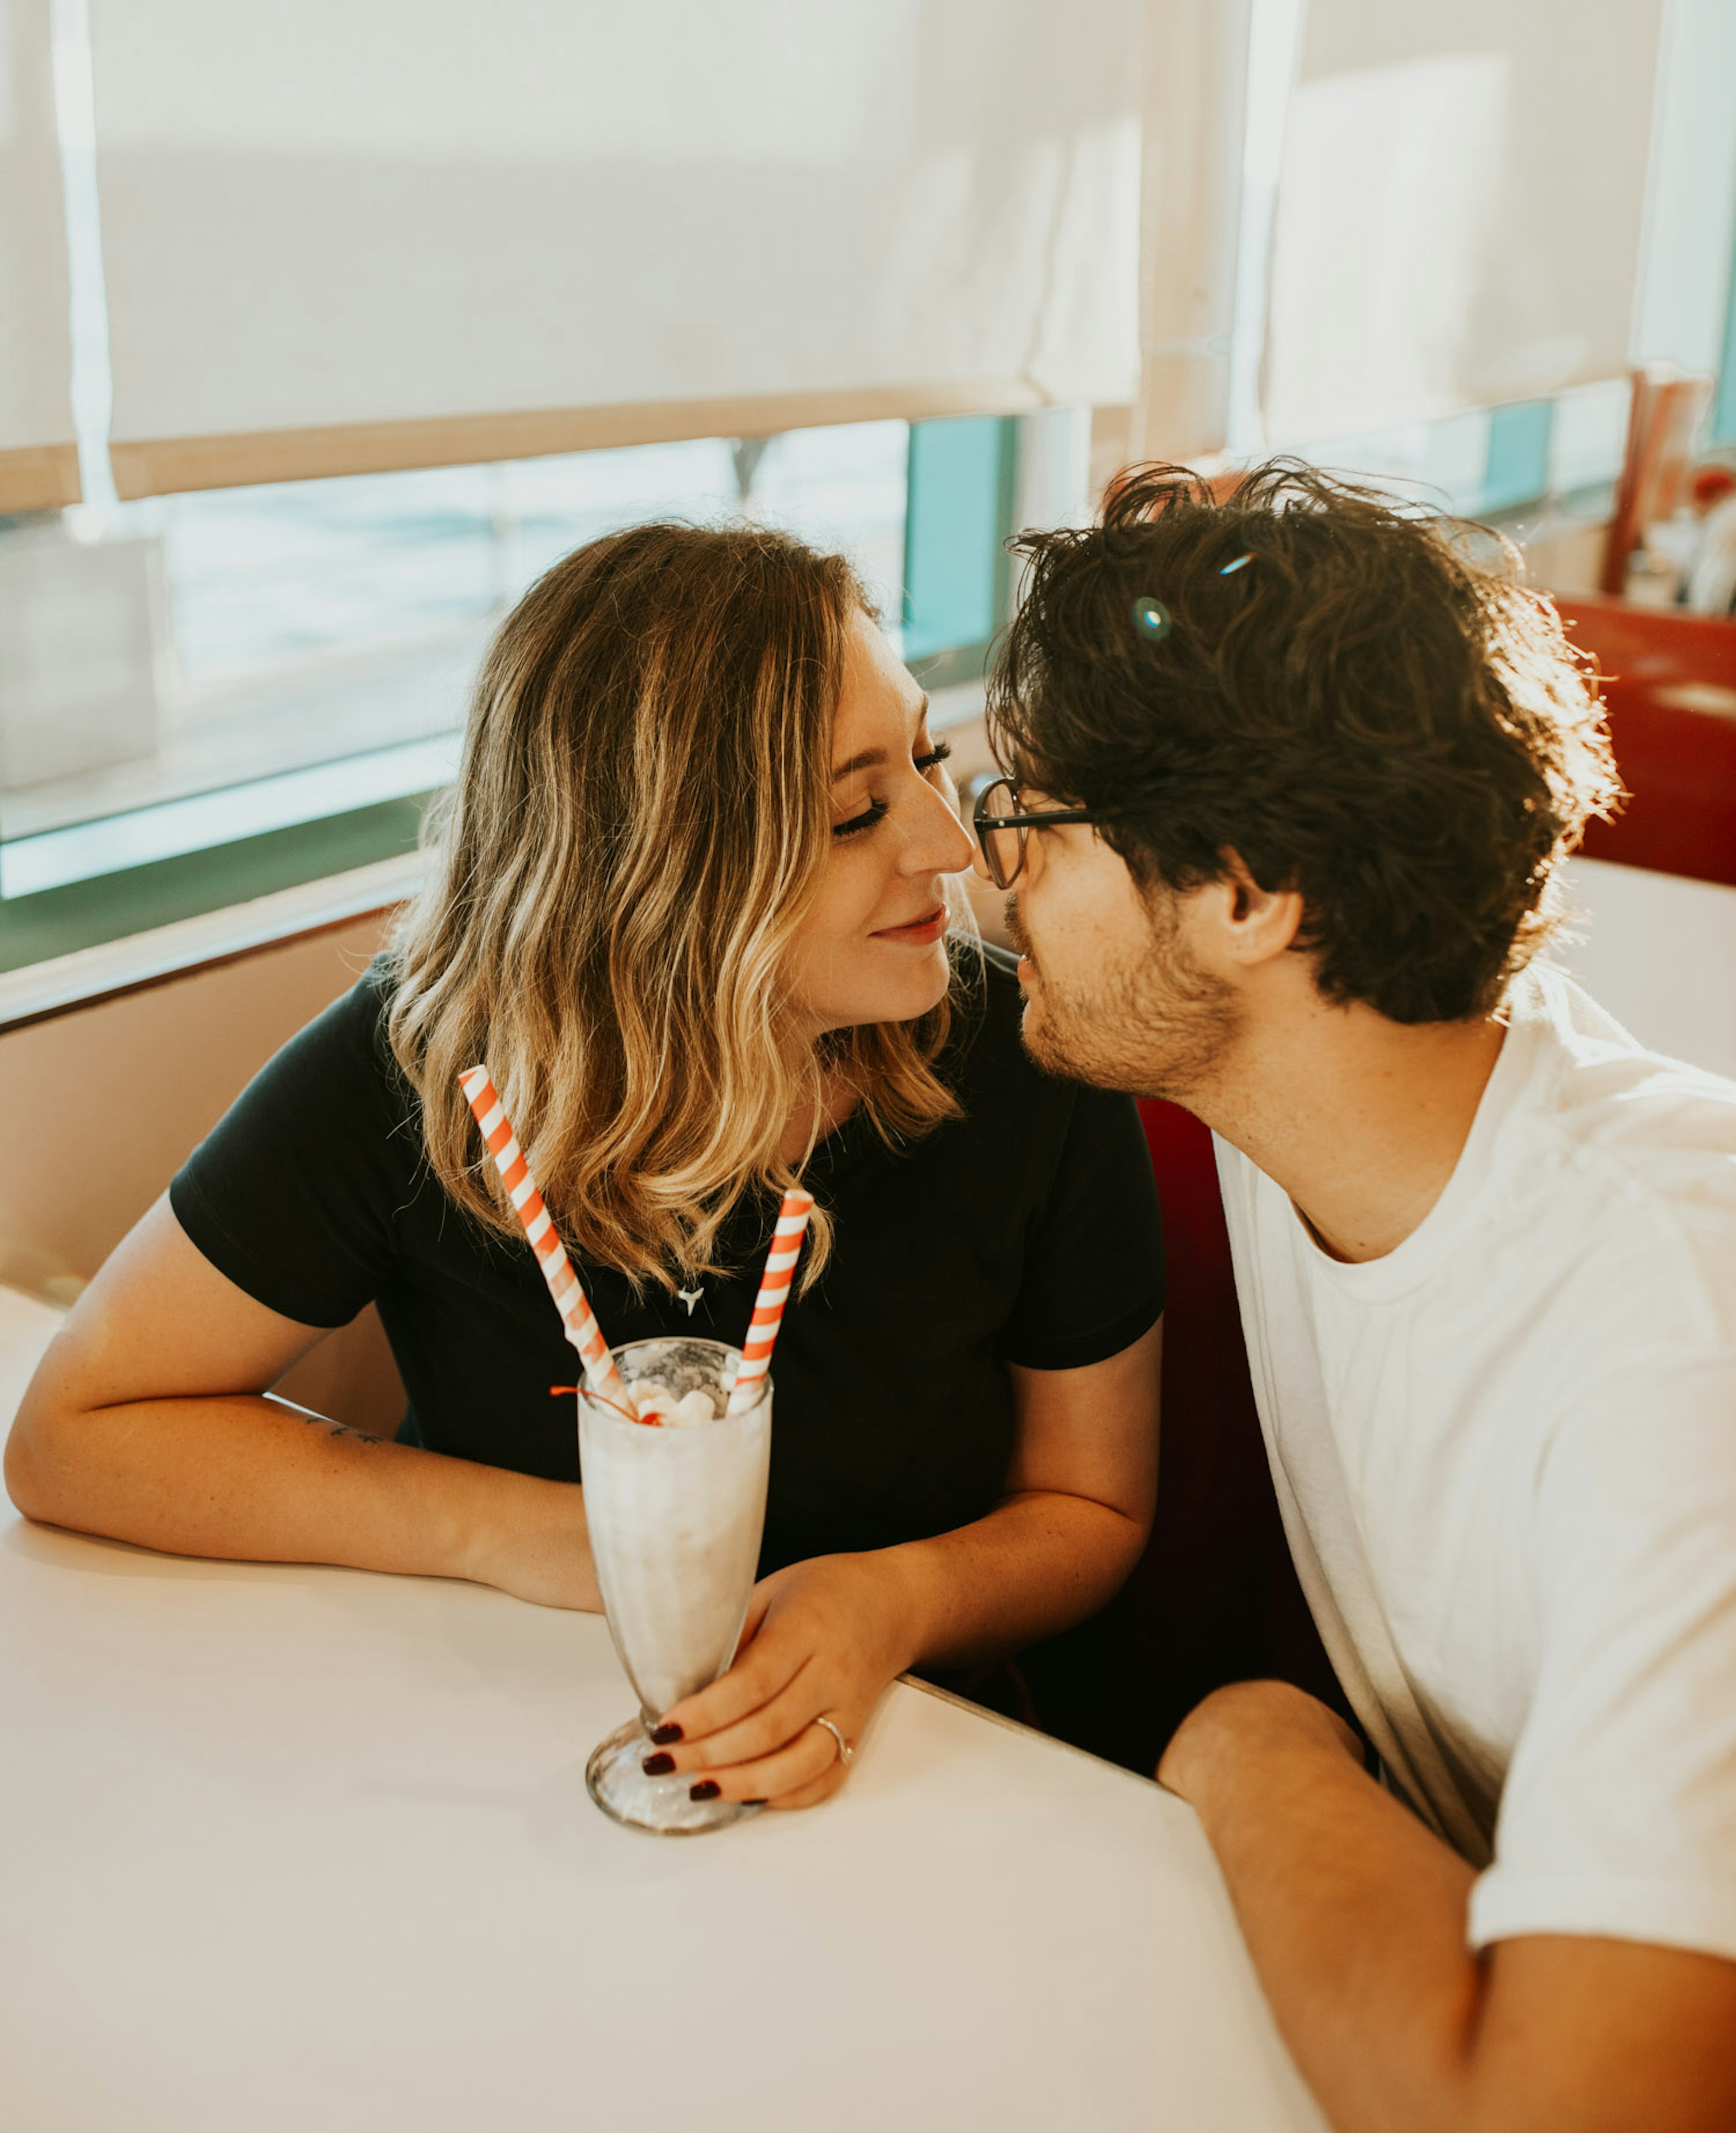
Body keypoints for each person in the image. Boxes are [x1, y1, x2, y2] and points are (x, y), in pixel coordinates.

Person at [6, 521, 1164, 1811]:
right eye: (854, 811)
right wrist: (508, 1533)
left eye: (928, 758)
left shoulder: (1025, 1059)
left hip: (919, 1758)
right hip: (494, 1750)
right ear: (662, 864)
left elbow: (1091, 1510)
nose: (950, 848)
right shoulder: (432, 1064)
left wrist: (891, 1600)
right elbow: (73, 1439)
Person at [972, 462, 1736, 2133]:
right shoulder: (1323, 1083)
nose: (990, 883)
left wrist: (1253, 1742)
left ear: (1246, 894)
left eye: (1024, 821)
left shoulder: (1670, 1338)